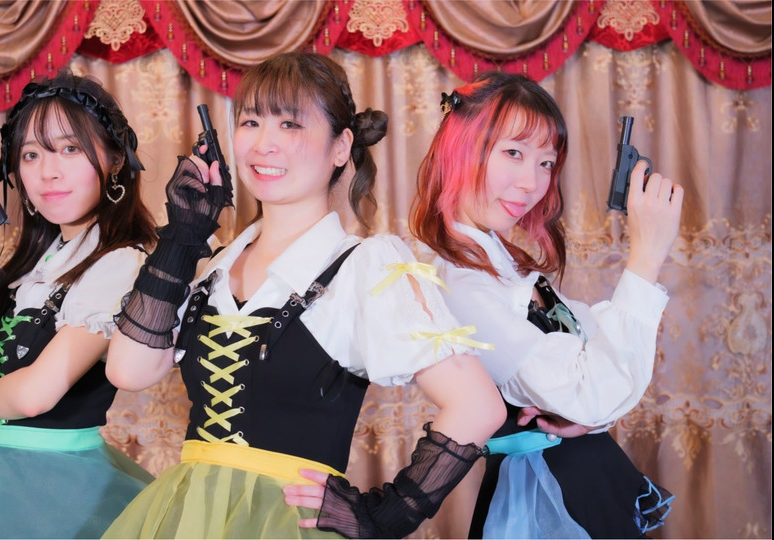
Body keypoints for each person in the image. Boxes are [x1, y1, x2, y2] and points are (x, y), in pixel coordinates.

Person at [102, 52, 505, 538]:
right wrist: (182, 238)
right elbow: (128, 371)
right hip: (186, 514)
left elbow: (478, 406)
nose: (264, 144)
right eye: (251, 122)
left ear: (341, 147)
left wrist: (384, 517)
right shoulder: (212, 266)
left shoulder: (365, 267)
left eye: (290, 124)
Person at [409, 71, 683, 538]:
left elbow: (598, 373)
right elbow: (593, 388)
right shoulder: (461, 281)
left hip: (573, 485)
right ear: (461, 147)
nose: (531, 182)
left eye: (546, 162)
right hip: (544, 502)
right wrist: (646, 257)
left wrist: (582, 419)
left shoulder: (499, 260)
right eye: (513, 153)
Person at [0, 71, 156, 538]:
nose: (48, 172)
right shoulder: (36, 268)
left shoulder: (119, 263)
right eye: (31, 154)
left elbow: (32, 395)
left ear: (114, 160)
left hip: (61, 489)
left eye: (70, 149)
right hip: (3, 476)